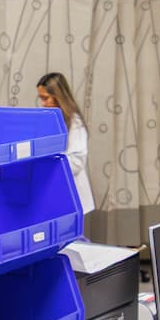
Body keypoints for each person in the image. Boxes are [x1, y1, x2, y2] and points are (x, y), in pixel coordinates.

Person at [36, 71, 96, 214]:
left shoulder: (75, 123)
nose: (43, 104)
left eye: (45, 98)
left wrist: (49, 165)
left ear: (58, 96)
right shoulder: (49, 120)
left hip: (71, 193)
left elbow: (77, 161)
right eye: (41, 98)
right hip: (54, 192)